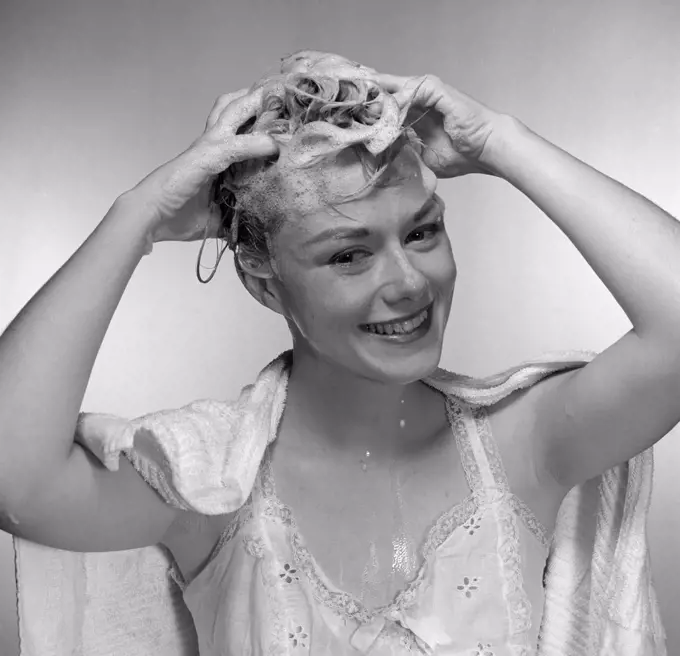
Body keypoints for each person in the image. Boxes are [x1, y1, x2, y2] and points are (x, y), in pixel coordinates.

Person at [1, 49, 678, 655]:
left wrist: (503, 141)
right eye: (349, 254)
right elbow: (14, 481)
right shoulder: (210, 490)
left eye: (422, 233)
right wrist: (137, 216)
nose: (410, 282)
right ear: (261, 274)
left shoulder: (522, 447)